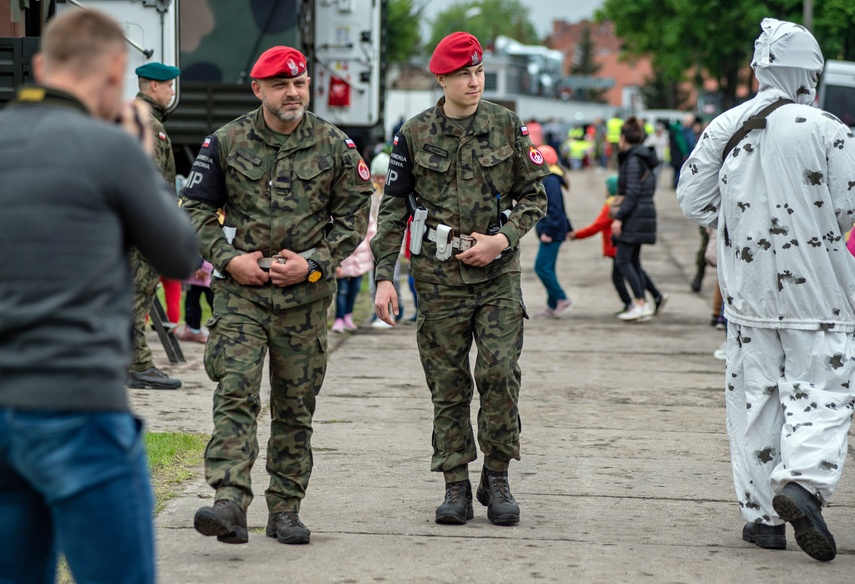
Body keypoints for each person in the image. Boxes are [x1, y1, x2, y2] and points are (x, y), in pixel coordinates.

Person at [0, 8, 198, 584]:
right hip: (76, 400)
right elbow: (180, 255)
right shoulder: (110, 148)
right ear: (117, 74)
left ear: (40, 67)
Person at [677, 19, 855, 562]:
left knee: (754, 400)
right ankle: (802, 483)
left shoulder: (724, 125)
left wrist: (737, 223)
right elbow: (848, 205)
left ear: (759, 69)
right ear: (810, 72)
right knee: (824, 388)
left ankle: (760, 519)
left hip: (747, 293)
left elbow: (693, 201)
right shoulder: (829, 129)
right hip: (820, 292)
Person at [182, 45, 373, 546]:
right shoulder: (226, 142)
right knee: (236, 392)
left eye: (301, 83)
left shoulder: (334, 146)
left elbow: (353, 217)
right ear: (258, 90)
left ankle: (285, 508)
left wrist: (314, 263)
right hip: (241, 295)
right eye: (282, 85)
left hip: (304, 302)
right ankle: (229, 499)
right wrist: (229, 261)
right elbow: (196, 210)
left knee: (294, 406)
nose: (294, 92)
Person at [371, 32, 548, 527]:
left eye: (479, 72)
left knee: (498, 375)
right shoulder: (414, 133)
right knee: (447, 385)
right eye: (463, 74)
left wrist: (503, 239)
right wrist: (384, 276)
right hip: (438, 278)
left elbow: (536, 196)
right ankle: (454, 483)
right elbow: (393, 208)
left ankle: (496, 476)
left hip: (495, 276)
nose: (474, 81)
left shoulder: (505, 124)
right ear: (442, 79)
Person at [127, 60, 184, 390]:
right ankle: (138, 366)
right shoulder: (149, 124)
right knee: (138, 294)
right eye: (169, 87)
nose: (171, 93)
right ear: (153, 87)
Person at [612, 117, 667, 322]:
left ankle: (640, 303)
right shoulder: (640, 157)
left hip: (636, 215)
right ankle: (644, 303)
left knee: (623, 260)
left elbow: (633, 191)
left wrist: (619, 217)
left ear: (625, 138)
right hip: (641, 213)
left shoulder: (634, 159)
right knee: (632, 260)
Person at [569, 176, 633, 313]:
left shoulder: (611, 207)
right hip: (622, 244)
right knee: (633, 272)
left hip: (616, 246)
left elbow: (596, 227)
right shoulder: (622, 203)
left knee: (619, 277)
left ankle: (631, 303)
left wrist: (577, 235)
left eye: (606, 187)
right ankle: (653, 295)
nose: (604, 190)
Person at [533, 145, 573, 318]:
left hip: (553, 231)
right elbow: (562, 208)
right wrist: (569, 227)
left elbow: (556, 210)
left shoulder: (550, 180)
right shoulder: (550, 178)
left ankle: (562, 298)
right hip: (556, 229)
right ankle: (552, 305)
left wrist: (549, 231)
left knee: (541, 267)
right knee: (548, 267)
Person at [177, 259, 214, 343]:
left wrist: (205, 269)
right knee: (191, 304)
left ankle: (219, 331)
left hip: (207, 277)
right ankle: (194, 331)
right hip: (192, 277)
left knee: (214, 304)